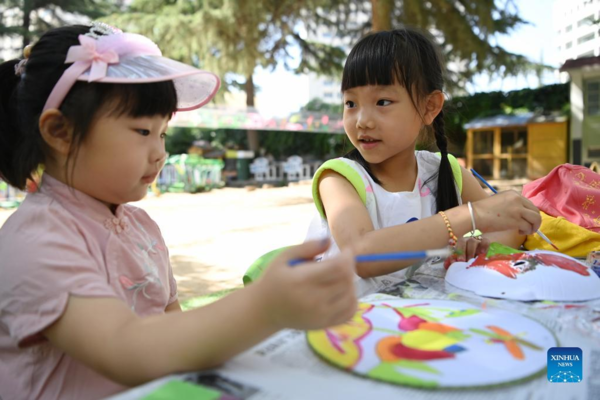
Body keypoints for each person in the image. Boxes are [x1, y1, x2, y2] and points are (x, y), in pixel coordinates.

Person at [0, 23, 357, 399]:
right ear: (61, 132)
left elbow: (175, 328)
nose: (159, 152)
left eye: (162, 133)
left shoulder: (140, 226)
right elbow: (123, 346)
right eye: (141, 131)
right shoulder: (36, 240)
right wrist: (263, 307)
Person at [305, 27, 541, 295]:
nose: (362, 120)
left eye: (382, 101)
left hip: (423, 322)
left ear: (430, 107)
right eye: (350, 103)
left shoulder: (448, 172)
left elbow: (510, 227)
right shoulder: (339, 178)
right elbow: (362, 255)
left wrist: (481, 242)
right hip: (346, 324)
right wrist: (470, 217)